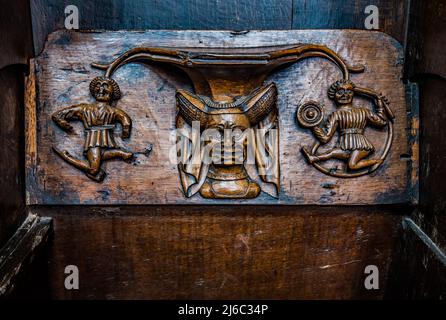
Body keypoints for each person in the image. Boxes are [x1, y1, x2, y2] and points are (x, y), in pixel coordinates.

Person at [52, 76, 133, 182]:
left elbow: (124, 118)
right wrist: (61, 122)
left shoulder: (113, 111)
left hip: (105, 138)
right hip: (93, 139)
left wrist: (126, 129)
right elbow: (58, 115)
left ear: (113, 92)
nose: (101, 89)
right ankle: (66, 156)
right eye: (98, 86)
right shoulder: (85, 109)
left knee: (98, 156)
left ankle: (119, 153)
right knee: (94, 170)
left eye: (105, 86)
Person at [302, 79, 389, 170]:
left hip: (361, 145)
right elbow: (325, 138)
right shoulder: (336, 115)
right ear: (333, 95)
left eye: (349, 92)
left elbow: (382, 122)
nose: (345, 95)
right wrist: (313, 125)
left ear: (353, 94)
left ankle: (377, 161)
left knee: (352, 165)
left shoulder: (363, 112)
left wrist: (379, 104)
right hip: (345, 146)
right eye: (340, 92)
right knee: (332, 153)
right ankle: (313, 158)